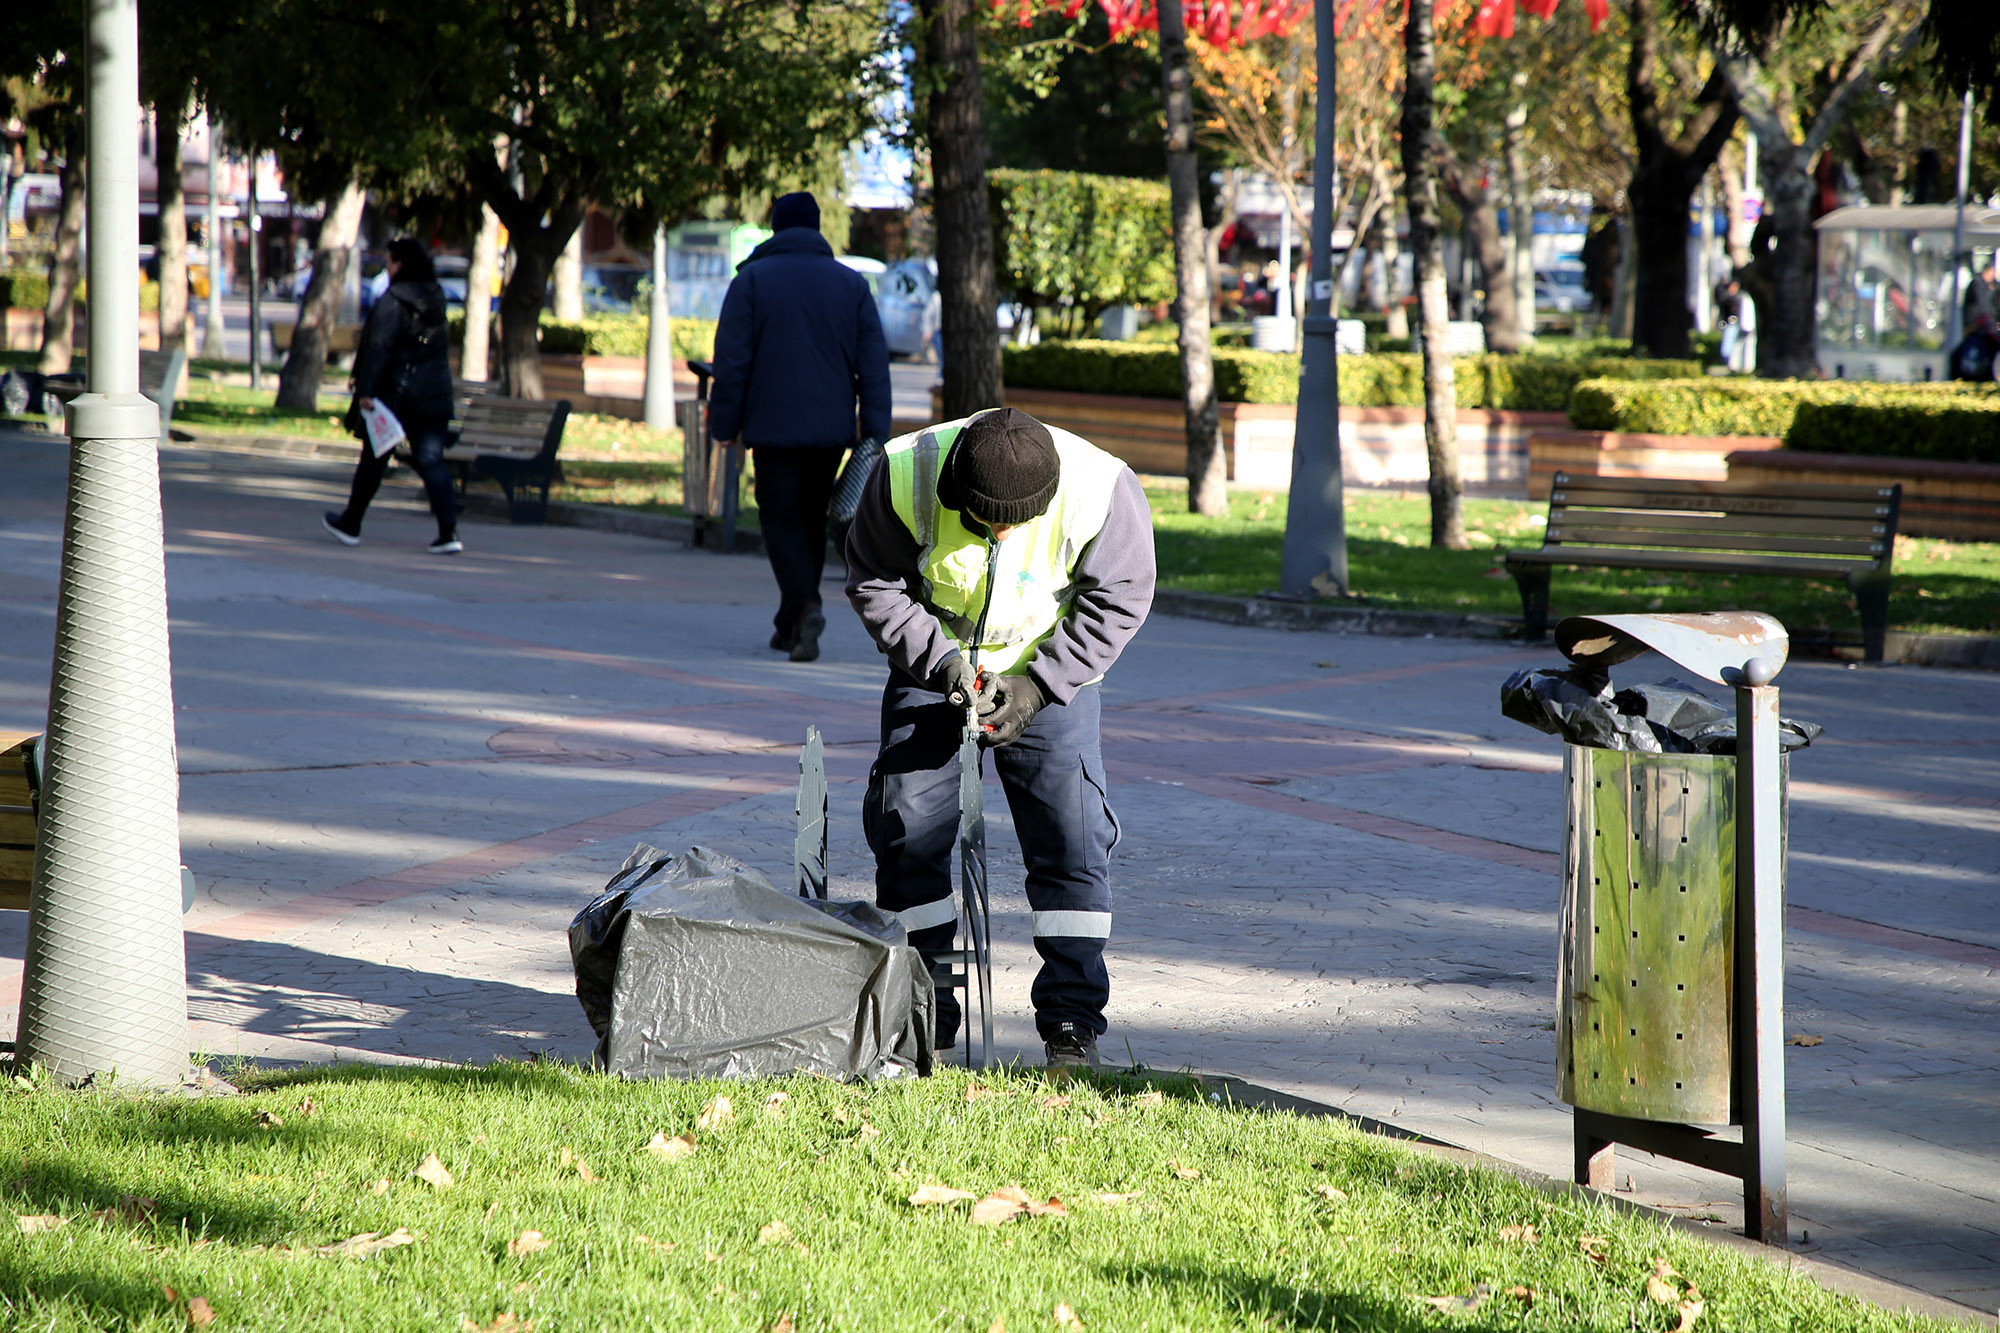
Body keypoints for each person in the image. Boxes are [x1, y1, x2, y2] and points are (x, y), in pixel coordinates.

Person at [844, 407, 1156, 1070]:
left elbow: (1121, 597)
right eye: (987, 521)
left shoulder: (1102, 489)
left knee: (1072, 839)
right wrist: (942, 662)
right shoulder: (906, 471)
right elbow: (874, 580)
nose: (1001, 531)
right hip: (933, 668)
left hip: (1048, 673)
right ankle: (924, 1015)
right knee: (906, 831)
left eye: (1014, 522)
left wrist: (1040, 686)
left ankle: (1072, 1023)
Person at [710, 191, 891, 662]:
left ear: (777, 227)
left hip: (771, 427)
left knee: (780, 517)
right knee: (809, 516)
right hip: (831, 430)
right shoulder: (851, 286)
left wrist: (723, 424)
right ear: (816, 228)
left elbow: (732, 361)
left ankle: (804, 605)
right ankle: (791, 622)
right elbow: (873, 365)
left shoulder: (751, 280)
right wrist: (875, 428)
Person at [321, 238, 459, 553]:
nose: (388, 266)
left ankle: (351, 522)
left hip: (394, 396)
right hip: (434, 394)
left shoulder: (392, 301)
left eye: (391, 261)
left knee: (373, 459)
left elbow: (379, 349)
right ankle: (449, 531)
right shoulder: (437, 301)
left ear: (401, 264)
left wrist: (367, 391)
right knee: (431, 460)